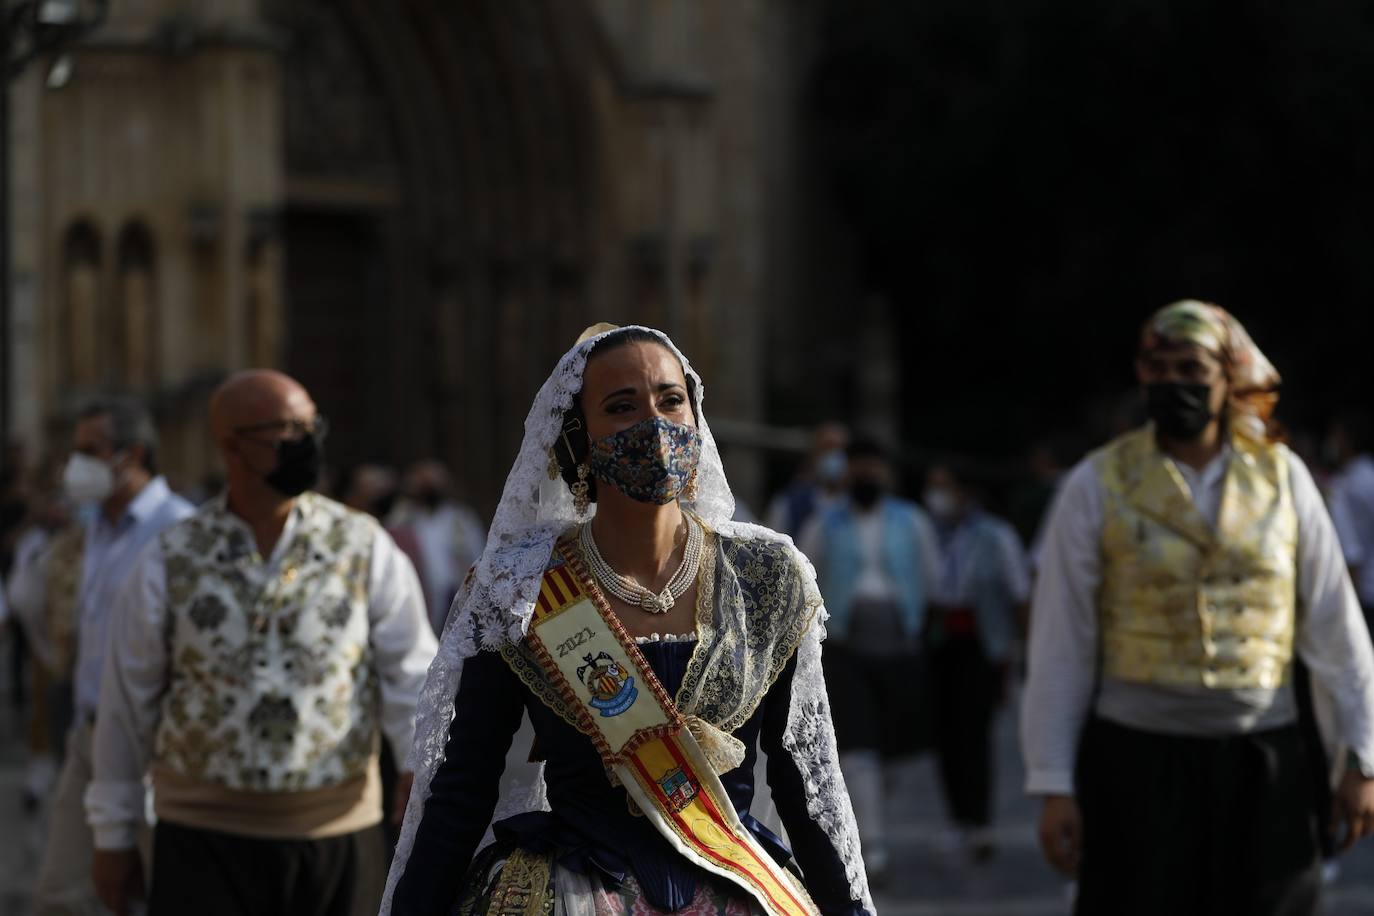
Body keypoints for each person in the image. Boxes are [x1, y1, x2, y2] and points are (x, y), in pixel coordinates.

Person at [384, 324, 873, 916]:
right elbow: (461, 793)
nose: (655, 424)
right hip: (572, 894)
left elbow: (806, 787)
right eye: (621, 407)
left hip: (733, 883)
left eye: (671, 400)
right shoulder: (521, 587)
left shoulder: (764, 575)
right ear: (578, 439)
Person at [1022, 300, 1374, 916]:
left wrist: (1363, 756)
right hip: (1135, 763)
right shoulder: (1097, 483)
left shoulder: (1284, 479)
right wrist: (1052, 782)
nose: (1171, 383)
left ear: (1228, 375)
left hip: (1265, 763)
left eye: (1189, 366)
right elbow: (1062, 642)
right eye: (1156, 368)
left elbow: (1334, 625)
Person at [86, 370, 438, 916]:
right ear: (231, 444)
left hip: (337, 835)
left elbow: (412, 670)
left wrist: (420, 764)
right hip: (203, 840)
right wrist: (113, 832)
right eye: (285, 429)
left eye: (310, 425)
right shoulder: (169, 558)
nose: (307, 442)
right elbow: (124, 706)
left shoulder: (365, 546)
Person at [31, 399, 195, 916]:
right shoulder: (94, 528)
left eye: (90, 451)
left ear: (133, 454)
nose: (76, 465)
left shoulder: (180, 529)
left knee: (165, 891)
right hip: (90, 737)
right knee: (62, 893)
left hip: (155, 748)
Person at [797, 434, 939, 884]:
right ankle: (871, 848)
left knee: (894, 751)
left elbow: (932, 577)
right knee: (859, 747)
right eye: (857, 469)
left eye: (873, 469)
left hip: (899, 641)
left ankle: (870, 810)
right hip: (844, 644)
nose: (865, 477)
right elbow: (804, 577)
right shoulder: (826, 523)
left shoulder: (911, 522)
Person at [922, 460, 1029, 862]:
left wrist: (1017, 648)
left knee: (974, 732)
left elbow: (1018, 593)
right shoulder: (928, 532)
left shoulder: (996, 536)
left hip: (981, 642)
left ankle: (980, 820)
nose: (938, 496)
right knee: (945, 732)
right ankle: (957, 818)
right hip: (940, 639)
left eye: (944, 487)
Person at [387, 460, 487, 633]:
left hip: (456, 595)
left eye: (433, 483)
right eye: (424, 483)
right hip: (419, 596)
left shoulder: (460, 518)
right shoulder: (404, 519)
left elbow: (478, 554)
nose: (429, 488)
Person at [1326, 410, 1374, 625]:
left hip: (1362, 595)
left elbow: (1350, 554)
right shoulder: (1368, 475)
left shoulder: (1343, 487)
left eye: (1335, 435)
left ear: (1346, 439)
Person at [766, 422, 850, 538]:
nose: (834, 455)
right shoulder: (788, 504)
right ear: (814, 453)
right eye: (827, 448)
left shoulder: (855, 503)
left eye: (839, 448)